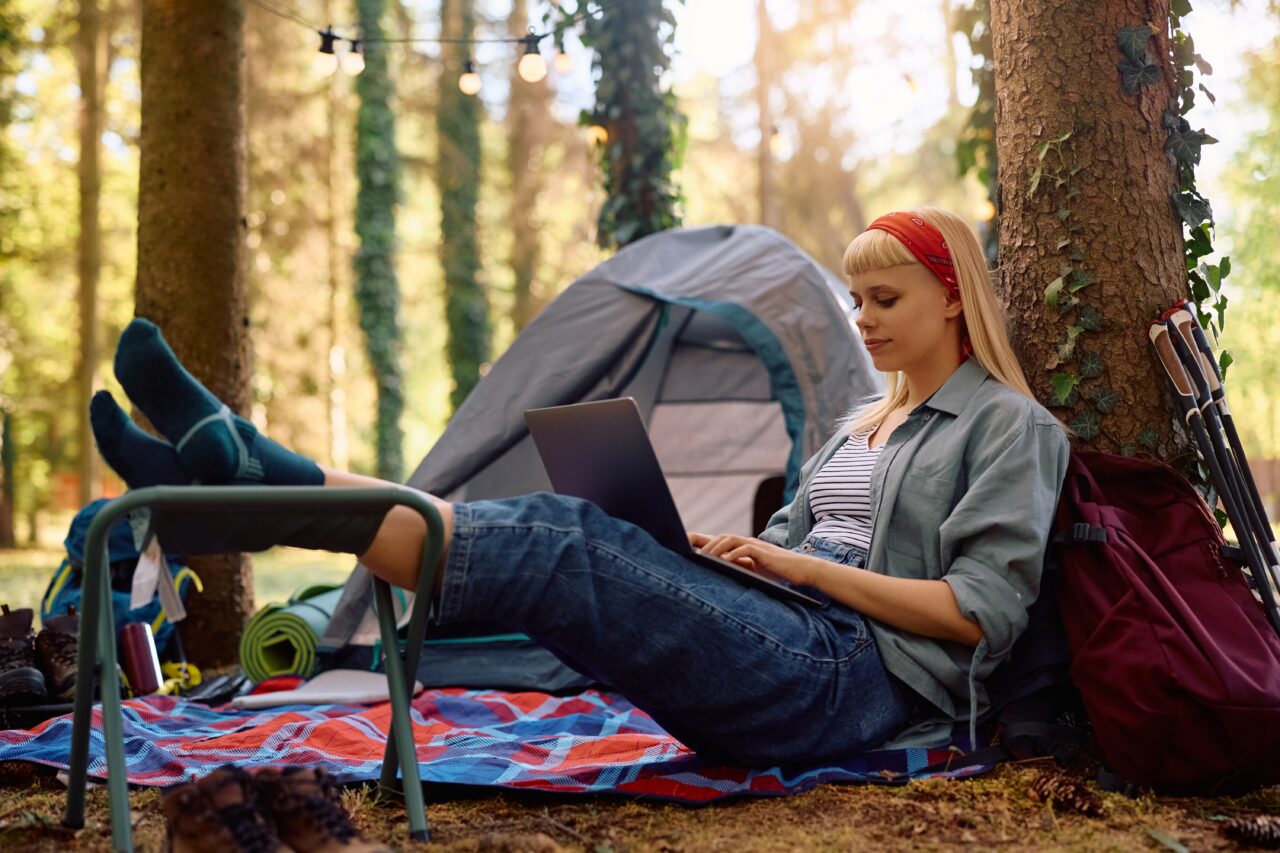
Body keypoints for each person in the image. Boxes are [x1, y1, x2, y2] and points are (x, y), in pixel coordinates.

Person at [90, 206, 1068, 765]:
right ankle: (235, 491)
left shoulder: (1008, 428)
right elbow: (793, 546)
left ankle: (248, 485)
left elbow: (978, 615)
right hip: (789, 632)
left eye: (885, 299)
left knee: (563, 541)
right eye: (854, 300)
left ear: (953, 295)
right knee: (586, 535)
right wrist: (731, 556)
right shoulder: (863, 424)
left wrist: (802, 573)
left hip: (857, 683)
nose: (862, 321)